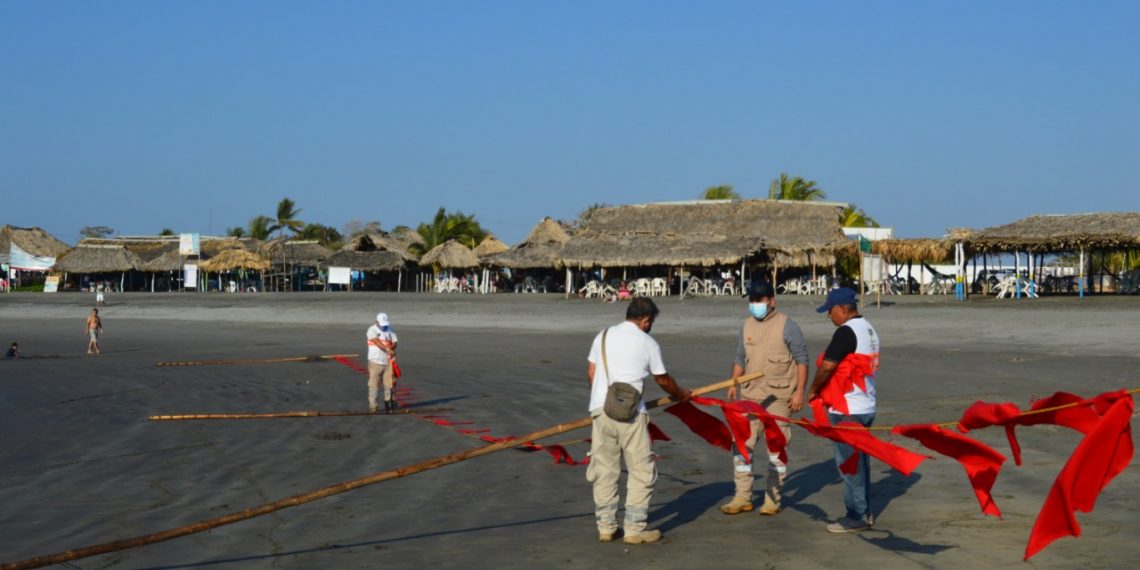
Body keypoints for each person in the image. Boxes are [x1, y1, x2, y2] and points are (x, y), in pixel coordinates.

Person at [586, 297, 691, 545]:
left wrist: (606, 400)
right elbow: (663, 380)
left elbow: (591, 373)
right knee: (641, 470)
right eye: (650, 322)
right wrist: (681, 395)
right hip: (631, 414)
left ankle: (606, 527)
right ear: (645, 320)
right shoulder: (647, 343)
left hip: (600, 410)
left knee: (605, 470)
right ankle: (633, 529)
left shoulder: (602, 336)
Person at [720, 281, 809, 516]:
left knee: (776, 449)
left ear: (771, 301)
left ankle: (772, 498)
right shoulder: (746, 325)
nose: (754, 304)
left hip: (778, 398)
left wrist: (800, 392)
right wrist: (733, 382)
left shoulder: (787, 325)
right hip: (749, 395)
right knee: (741, 447)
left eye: (759, 300)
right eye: (751, 300)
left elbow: (802, 360)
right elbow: (740, 357)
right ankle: (742, 496)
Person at [807, 288, 881, 533]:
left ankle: (856, 515)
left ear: (843, 309)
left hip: (848, 407)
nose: (829, 315)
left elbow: (827, 366)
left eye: (830, 310)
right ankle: (864, 510)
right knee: (860, 461)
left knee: (850, 465)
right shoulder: (869, 328)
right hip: (866, 404)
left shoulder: (846, 331)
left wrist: (813, 390)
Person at [366, 312, 399, 413]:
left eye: (385, 324)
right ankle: (373, 406)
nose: (384, 327)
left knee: (389, 384)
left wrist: (392, 348)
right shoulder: (371, 330)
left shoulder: (390, 329)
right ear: (377, 322)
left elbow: (395, 342)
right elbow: (376, 342)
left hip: (388, 362)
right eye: (382, 324)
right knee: (374, 384)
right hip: (375, 362)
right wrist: (387, 350)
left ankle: (389, 404)